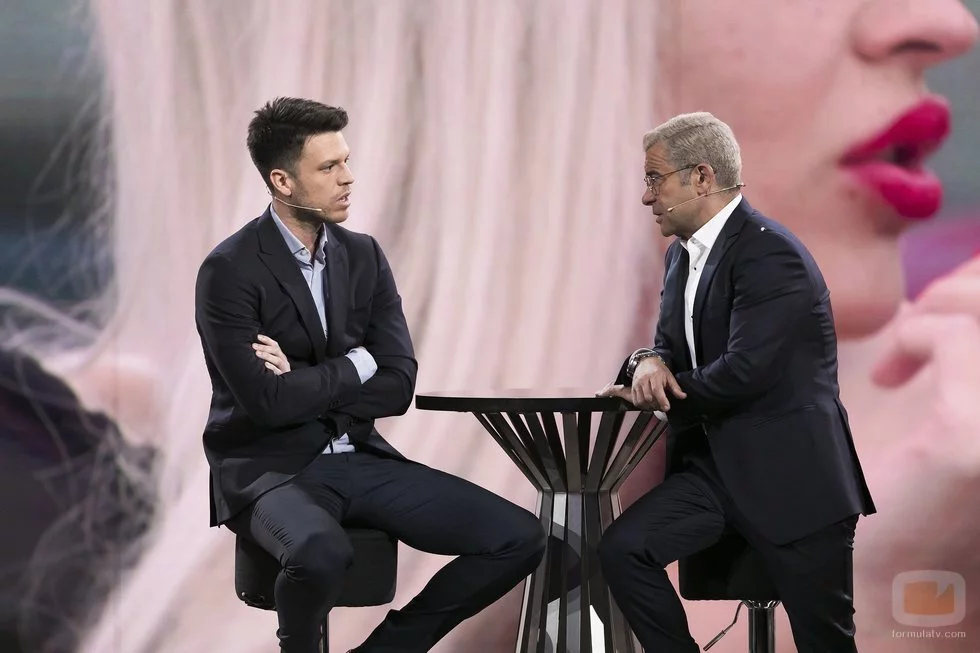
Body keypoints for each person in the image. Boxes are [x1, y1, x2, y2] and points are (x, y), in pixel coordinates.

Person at [194, 97, 545, 653]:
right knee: (320, 552)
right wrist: (356, 364)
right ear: (283, 181)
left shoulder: (364, 256)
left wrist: (302, 379)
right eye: (329, 167)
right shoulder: (229, 270)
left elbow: (398, 384)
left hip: (359, 456)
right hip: (270, 468)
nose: (348, 178)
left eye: (346, 162)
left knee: (519, 537)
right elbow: (267, 404)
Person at [597, 112, 876, 653]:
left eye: (655, 178)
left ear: (702, 177)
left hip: (794, 482)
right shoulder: (680, 256)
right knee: (624, 549)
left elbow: (744, 372)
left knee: (825, 642)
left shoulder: (770, 254)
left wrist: (659, 394)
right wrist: (646, 362)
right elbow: (667, 348)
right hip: (712, 475)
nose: (647, 196)